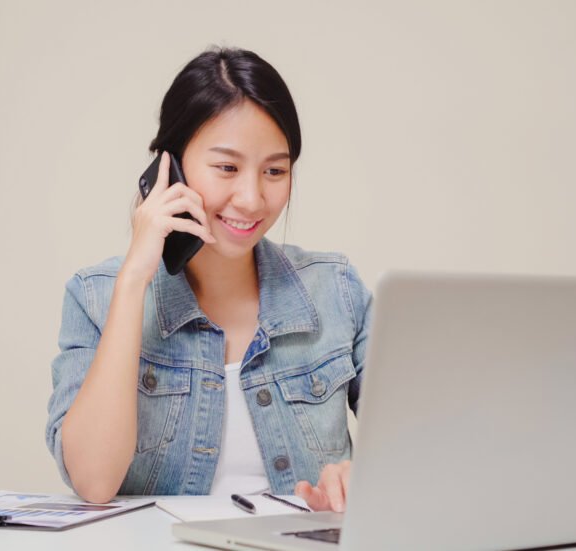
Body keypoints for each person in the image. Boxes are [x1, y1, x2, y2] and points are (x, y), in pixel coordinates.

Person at [45, 47, 372, 513]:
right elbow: (95, 481)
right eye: (227, 168)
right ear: (169, 167)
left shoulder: (336, 289)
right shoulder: (94, 296)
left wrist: (363, 474)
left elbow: (422, 442)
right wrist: (136, 275)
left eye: (275, 171)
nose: (252, 198)